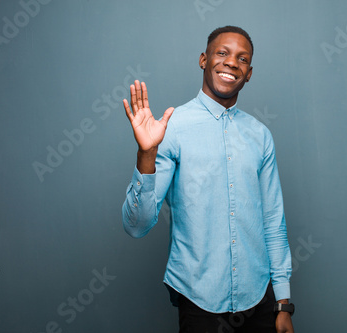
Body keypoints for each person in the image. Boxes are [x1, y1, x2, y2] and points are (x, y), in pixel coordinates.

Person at [121, 26, 294, 333]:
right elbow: (137, 226)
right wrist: (146, 153)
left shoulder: (260, 136)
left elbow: (273, 221)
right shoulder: (172, 128)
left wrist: (282, 303)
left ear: (249, 73)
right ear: (204, 59)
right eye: (222, 53)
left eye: (242, 58)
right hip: (199, 301)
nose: (231, 63)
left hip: (260, 300)